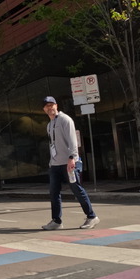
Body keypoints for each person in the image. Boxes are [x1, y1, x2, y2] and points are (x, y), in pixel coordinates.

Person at [41, 96, 98, 230]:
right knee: (54, 192)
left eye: (52, 105)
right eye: (47, 106)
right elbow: (52, 144)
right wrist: (51, 162)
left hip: (68, 162)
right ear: (44, 109)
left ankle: (91, 216)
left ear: (56, 106)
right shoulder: (49, 125)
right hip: (55, 164)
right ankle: (56, 221)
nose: (50, 108)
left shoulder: (65, 119)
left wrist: (72, 157)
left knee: (76, 189)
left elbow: (73, 140)